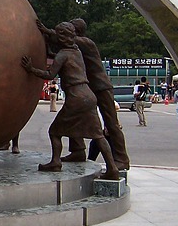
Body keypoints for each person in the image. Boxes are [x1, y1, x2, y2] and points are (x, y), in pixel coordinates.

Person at [21, 22, 119, 180]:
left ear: (60, 37)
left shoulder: (63, 55)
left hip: (76, 97)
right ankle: (112, 168)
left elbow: (49, 75)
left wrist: (31, 69)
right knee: (98, 135)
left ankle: (55, 162)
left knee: (54, 132)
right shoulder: (77, 51)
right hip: (89, 95)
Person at [60, 18, 130, 170]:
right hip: (86, 88)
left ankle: (122, 159)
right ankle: (78, 151)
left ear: (76, 31)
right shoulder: (73, 47)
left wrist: (46, 31)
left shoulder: (85, 43)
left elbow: (60, 38)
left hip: (101, 87)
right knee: (74, 117)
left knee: (111, 124)